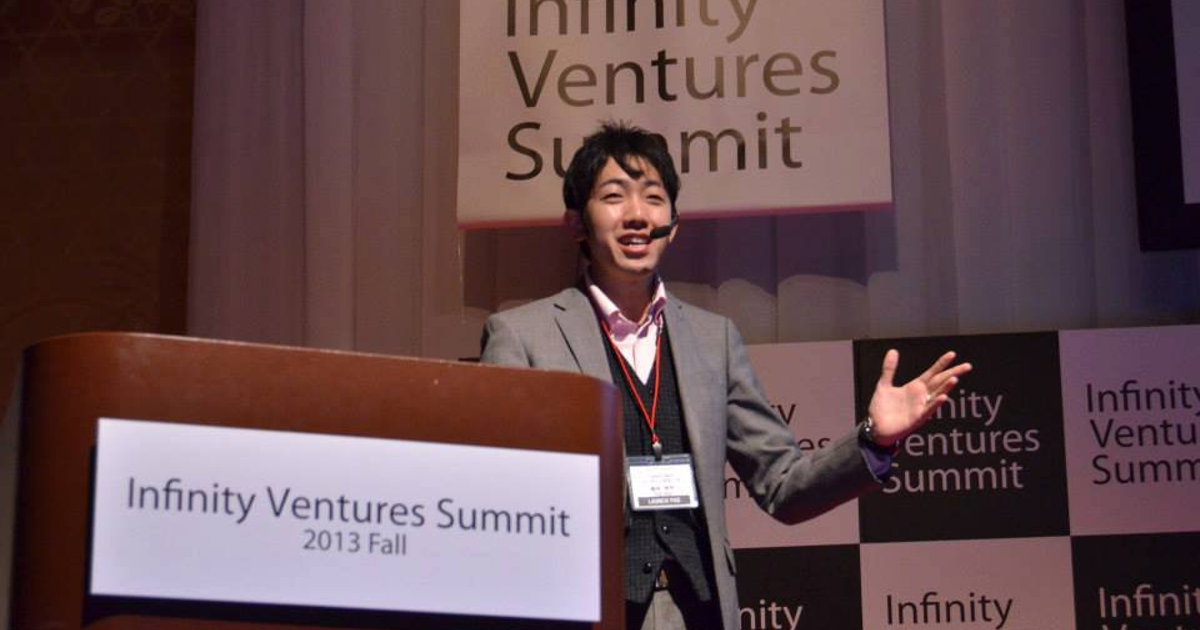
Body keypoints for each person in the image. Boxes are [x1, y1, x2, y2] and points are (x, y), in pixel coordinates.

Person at [480, 122, 970, 630]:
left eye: (653, 198)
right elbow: (499, 498)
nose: (637, 214)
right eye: (613, 196)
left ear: (674, 224)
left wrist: (874, 439)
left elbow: (783, 484)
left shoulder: (713, 339)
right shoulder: (524, 335)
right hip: (582, 609)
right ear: (576, 223)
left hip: (699, 612)